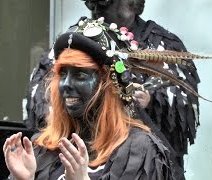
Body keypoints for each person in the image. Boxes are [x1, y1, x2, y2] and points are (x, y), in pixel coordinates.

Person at [3, 18, 185, 180]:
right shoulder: (42, 148)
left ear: (108, 84)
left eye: (80, 75)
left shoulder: (140, 151)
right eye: (63, 74)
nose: (65, 84)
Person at [83, 0, 200, 179]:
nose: (102, 8)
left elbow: (186, 106)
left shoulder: (163, 44)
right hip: (89, 161)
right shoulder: (75, 40)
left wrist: (151, 101)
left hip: (149, 165)